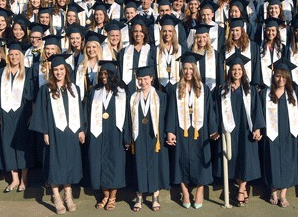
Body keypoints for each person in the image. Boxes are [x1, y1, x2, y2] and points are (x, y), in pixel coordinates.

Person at [29, 53, 86, 214]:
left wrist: (81, 129)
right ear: (51, 71)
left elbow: (80, 111)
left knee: (69, 163)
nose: (59, 72)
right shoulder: (45, 90)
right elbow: (41, 113)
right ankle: (56, 196)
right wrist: (45, 132)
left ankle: (68, 195)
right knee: (55, 163)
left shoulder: (75, 88)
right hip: (54, 132)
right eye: (56, 70)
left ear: (66, 70)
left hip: (71, 132)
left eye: (61, 69)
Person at [166, 52, 220, 209]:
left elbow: (210, 111)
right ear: (181, 70)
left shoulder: (204, 90)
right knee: (180, 158)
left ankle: (199, 190)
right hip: (181, 129)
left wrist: (213, 130)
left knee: (201, 158)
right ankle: (185, 190)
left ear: (195, 70)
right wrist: (170, 131)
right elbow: (170, 111)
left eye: (191, 68)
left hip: (199, 130)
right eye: (185, 68)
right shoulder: (175, 89)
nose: (188, 72)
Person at [214, 52, 264, 207]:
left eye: (239, 69)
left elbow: (256, 110)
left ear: (243, 71)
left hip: (246, 130)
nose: (236, 72)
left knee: (247, 159)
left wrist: (257, 128)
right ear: (230, 71)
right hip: (230, 131)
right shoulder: (222, 90)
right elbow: (215, 110)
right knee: (234, 159)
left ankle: (241, 189)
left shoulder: (250, 90)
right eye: (234, 69)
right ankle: (241, 186)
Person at [124, 66, 170, 212]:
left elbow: (166, 118)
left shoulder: (161, 96)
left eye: (145, 79)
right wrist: (127, 137)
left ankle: (155, 197)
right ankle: (139, 196)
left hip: (155, 136)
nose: (143, 82)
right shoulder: (132, 97)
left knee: (155, 165)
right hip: (138, 136)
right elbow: (127, 120)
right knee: (139, 165)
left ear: (151, 78)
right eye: (140, 79)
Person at [0, 42, 35, 193]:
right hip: (5, 113)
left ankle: (24, 178)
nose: (14, 57)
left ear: (21, 56)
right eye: (11, 54)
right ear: (8, 56)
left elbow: (31, 95)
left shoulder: (29, 72)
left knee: (23, 146)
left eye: (17, 54)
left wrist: (30, 114)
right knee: (7, 145)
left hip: (22, 114)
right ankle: (14, 178)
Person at [85, 61, 129, 211]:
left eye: (107, 74)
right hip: (98, 134)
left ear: (113, 75)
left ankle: (113, 196)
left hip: (115, 134)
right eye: (102, 74)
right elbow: (86, 112)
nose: (104, 77)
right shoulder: (94, 91)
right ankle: (105, 195)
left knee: (115, 163)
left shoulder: (123, 92)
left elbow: (128, 117)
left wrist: (127, 137)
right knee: (98, 163)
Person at [261, 59, 298, 209]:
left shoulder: (293, 93)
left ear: (288, 78)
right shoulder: (266, 93)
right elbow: (259, 114)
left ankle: (283, 194)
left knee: (287, 162)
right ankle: (273, 191)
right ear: (273, 76)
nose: (280, 79)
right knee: (271, 161)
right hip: (271, 134)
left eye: (283, 76)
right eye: (278, 76)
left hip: (288, 133)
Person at [118, 16, 157, 93]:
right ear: (132, 33)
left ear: (145, 33)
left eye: (141, 31)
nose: (138, 34)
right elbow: (119, 72)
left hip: (146, 89)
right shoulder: (124, 52)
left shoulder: (151, 50)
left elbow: (154, 72)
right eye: (135, 31)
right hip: (128, 89)